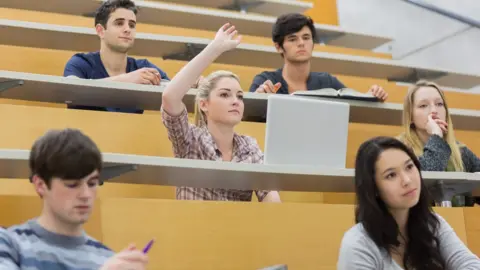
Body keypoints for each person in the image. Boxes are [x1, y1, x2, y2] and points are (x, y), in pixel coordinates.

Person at [161, 23, 281, 202]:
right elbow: (170, 97)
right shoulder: (190, 139)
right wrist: (215, 48)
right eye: (225, 94)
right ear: (204, 104)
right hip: (193, 227)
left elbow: (272, 201)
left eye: (239, 96)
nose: (235, 101)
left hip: (237, 228)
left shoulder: (249, 146)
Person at [0, 129, 148, 270]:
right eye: (72, 185)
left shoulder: (107, 258)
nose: (86, 194)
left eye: (92, 183)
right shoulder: (9, 244)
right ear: (40, 185)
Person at [337, 136, 480, 269]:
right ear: (373, 188)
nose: (407, 180)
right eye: (391, 175)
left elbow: (470, 264)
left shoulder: (433, 224)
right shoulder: (358, 244)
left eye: (409, 167)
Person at [249, 13, 388, 101]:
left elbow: (356, 102)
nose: (301, 43)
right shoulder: (266, 80)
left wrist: (372, 94)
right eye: (292, 39)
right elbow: (247, 115)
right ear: (278, 47)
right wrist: (258, 98)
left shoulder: (327, 81)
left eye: (306, 37)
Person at [64, 0, 169, 114]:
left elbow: (175, 90)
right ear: (101, 31)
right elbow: (71, 92)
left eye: (132, 25)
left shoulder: (143, 67)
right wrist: (127, 79)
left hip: (130, 131)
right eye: (119, 23)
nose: (127, 29)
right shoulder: (80, 62)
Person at [397, 80, 480, 205]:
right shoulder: (398, 150)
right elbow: (425, 176)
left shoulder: (460, 151)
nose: (434, 110)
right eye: (423, 105)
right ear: (411, 116)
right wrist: (436, 136)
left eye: (439, 104)